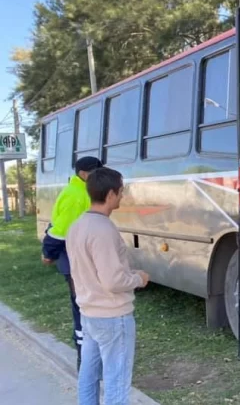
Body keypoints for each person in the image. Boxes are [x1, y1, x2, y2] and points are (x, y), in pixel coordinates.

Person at [66, 167, 150, 405]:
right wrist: (138, 279)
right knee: (116, 384)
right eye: (121, 191)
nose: (123, 195)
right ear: (111, 194)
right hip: (113, 317)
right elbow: (113, 281)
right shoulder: (103, 229)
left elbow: (91, 270)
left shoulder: (78, 225)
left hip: (90, 314)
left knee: (88, 376)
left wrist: (128, 272)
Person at [41, 156, 103, 370]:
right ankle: (85, 360)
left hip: (78, 258)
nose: (99, 175)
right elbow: (60, 231)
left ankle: (89, 358)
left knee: (85, 306)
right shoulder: (77, 196)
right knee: (83, 307)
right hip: (74, 259)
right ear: (84, 173)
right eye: (96, 171)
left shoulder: (79, 192)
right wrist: (48, 253)